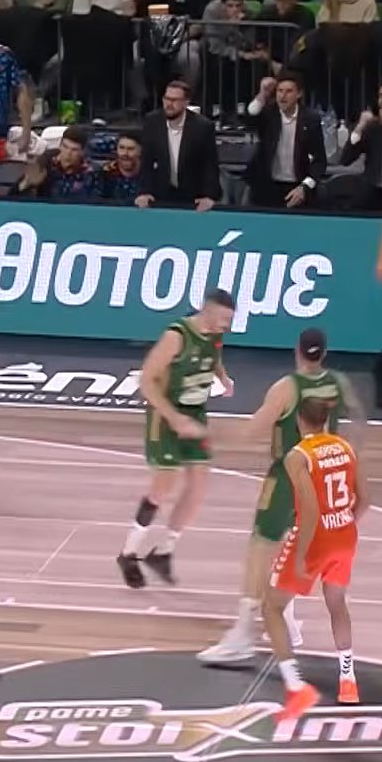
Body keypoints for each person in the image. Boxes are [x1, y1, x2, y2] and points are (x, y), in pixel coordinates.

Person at [199, 328, 364, 664]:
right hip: (321, 470)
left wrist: (208, 433)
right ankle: (288, 622)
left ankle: (243, 635)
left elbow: (251, 431)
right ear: (324, 353)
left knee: (260, 549)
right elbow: (359, 416)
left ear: (298, 351)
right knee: (294, 546)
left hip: (288, 477)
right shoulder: (338, 382)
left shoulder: (287, 388)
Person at [117, 288, 235, 588]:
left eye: (230, 321)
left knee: (198, 485)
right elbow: (145, 380)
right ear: (206, 310)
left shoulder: (215, 334)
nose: (227, 325)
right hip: (165, 414)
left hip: (194, 413)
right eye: (223, 319)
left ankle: (164, 551)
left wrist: (223, 376)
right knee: (162, 488)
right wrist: (174, 417)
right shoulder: (177, 335)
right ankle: (128, 553)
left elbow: (215, 354)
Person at [263, 397, 368, 721]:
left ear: (300, 422)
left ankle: (297, 689)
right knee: (337, 604)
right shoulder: (345, 447)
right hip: (345, 534)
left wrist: (302, 555)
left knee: (272, 606)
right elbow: (365, 499)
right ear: (326, 420)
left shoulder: (298, 456)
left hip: (315, 539)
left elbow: (308, 510)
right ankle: (348, 681)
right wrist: (343, 524)